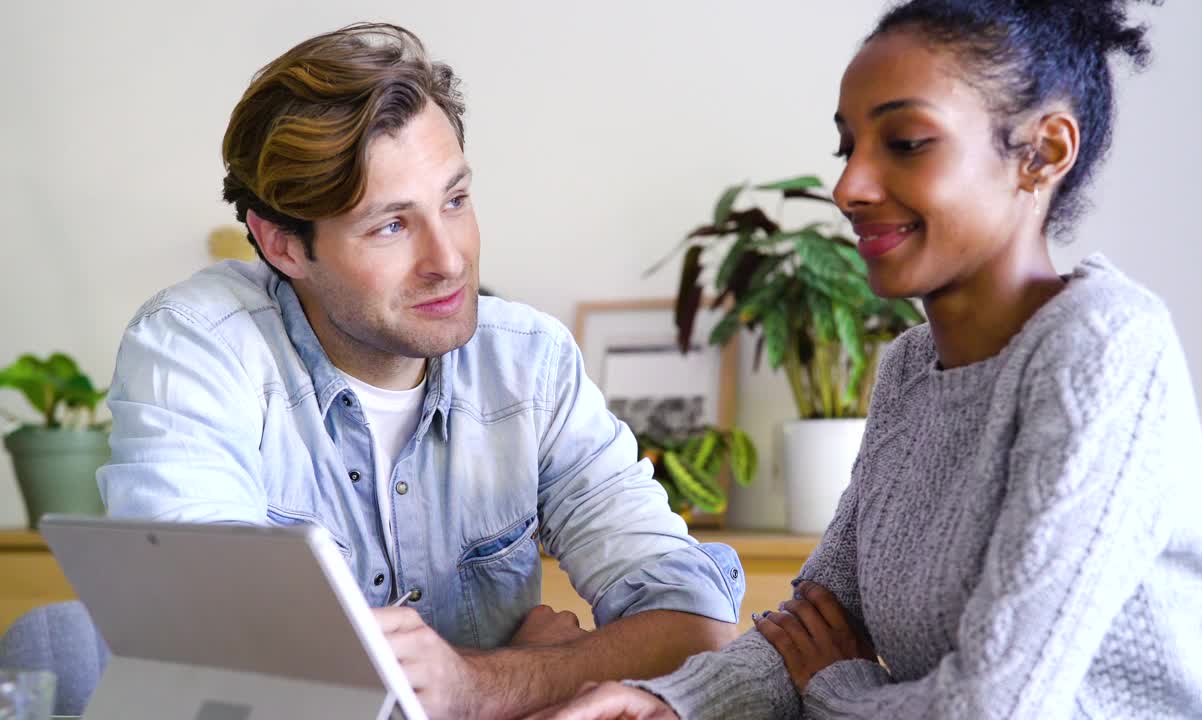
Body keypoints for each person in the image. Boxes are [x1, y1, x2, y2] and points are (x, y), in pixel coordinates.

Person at [531, 1, 1202, 718]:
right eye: (846, 146)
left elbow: (993, 708)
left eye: (906, 142)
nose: (849, 185)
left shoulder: (1103, 346)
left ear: (1043, 153)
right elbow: (814, 621)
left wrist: (839, 685)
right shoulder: (912, 368)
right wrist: (668, 703)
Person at [96, 23, 743, 719]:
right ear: (282, 245)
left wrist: (487, 681)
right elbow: (219, 664)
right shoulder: (197, 348)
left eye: (455, 200)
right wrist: (536, 670)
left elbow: (696, 625)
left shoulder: (530, 367)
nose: (451, 258)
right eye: (392, 226)